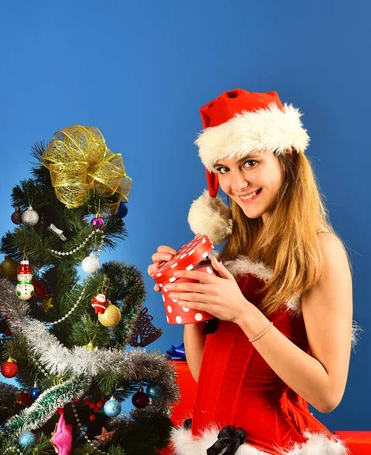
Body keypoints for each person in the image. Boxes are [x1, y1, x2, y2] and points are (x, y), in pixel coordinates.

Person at [148, 89, 352, 454]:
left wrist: (243, 312)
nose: (237, 184)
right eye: (223, 169)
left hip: (274, 446)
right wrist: (188, 294)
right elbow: (204, 375)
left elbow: (327, 394)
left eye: (250, 163)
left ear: (286, 157)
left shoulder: (322, 251)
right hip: (208, 444)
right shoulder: (236, 252)